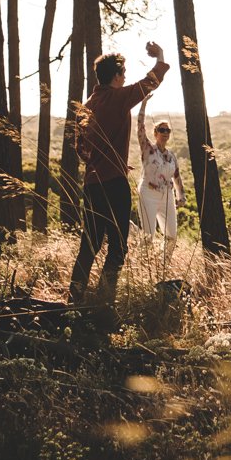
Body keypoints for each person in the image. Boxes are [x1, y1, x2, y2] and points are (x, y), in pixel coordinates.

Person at [67, 42, 170, 306]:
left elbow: (80, 148)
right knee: (118, 247)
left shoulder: (86, 107)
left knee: (88, 246)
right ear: (116, 76)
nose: (125, 78)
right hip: (114, 185)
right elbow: (151, 81)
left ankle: (74, 300)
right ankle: (104, 302)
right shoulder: (118, 97)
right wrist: (159, 56)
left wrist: (103, 161)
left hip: (92, 185)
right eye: (123, 74)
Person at [136, 100, 184, 249]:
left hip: (167, 196)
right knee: (147, 237)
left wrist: (180, 196)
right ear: (155, 133)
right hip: (148, 194)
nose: (165, 133)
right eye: (162, 130)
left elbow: (176, 177)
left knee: (171, 237)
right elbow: (140, 127)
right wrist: (143, 104)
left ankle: (163, 267)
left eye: (167, 130)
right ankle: (143, 267)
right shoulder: (148, 149)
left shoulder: (171, 156)